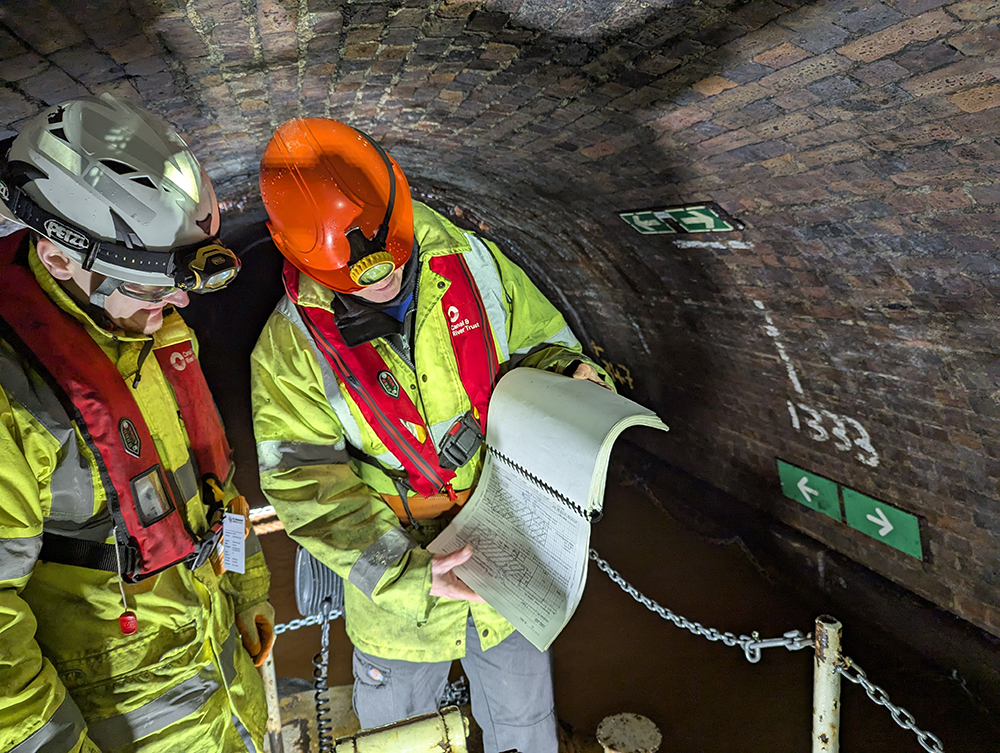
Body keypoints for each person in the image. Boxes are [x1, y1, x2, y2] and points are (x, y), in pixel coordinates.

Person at [250, 117, 613, 753]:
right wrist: (409, 576)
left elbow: (541, 346)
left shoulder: (473, 264)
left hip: (507, 555)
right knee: (398, 740)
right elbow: (302, 483)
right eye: (358, 275)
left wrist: (575, 377)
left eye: (390, 256)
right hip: (399, 594)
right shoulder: (290, 348)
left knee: (526, 731)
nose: (381, 277)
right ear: (304, 255)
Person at [0, 94, 273, 753]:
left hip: (229, 702)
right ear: (60, 258)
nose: (178, 300)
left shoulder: (154, 337)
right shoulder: (16, 400)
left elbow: (217, 488)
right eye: (153, 283)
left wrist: (247, 587)